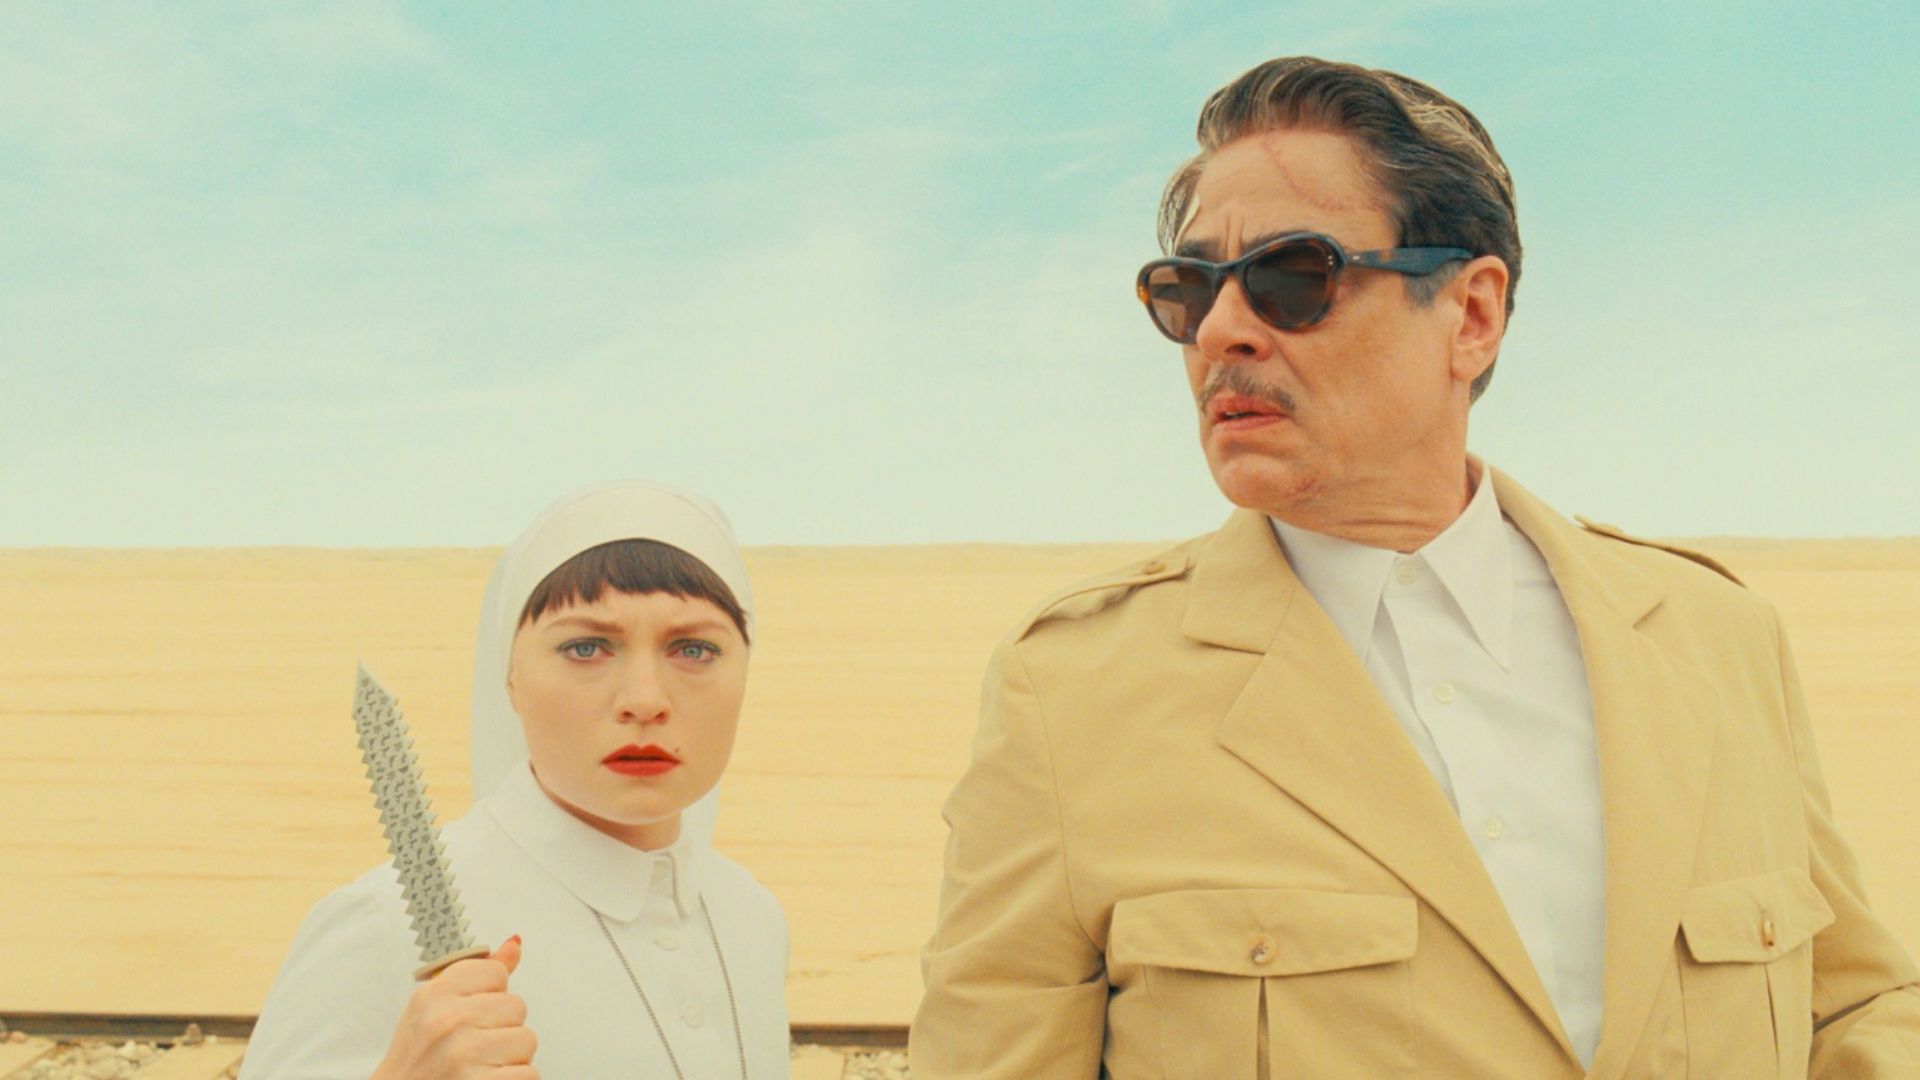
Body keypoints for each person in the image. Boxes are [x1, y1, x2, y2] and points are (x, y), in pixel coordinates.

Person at [910, 57, 1920, 1079]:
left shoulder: (1715, 641)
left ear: (1472, 316)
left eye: (1292, 277)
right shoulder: (1074, 695)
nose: (1220, 332)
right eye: (1190, 289)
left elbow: (1856, 1005)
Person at [243, 482, 790, 1079]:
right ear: (509, 677)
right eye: (586, 648)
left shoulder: (751, 916)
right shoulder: (380, 924)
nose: (644, 699)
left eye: (695, 649)